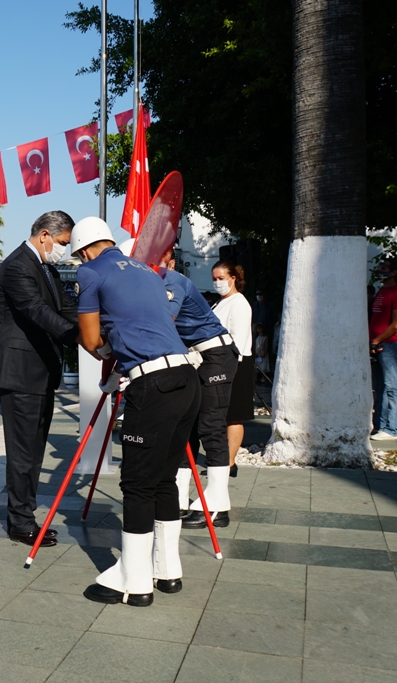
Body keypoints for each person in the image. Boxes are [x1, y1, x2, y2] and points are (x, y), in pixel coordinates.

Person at [71, 218, 200, 607]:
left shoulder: (90, 271)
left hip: (153, 384)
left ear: (83, 250)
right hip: (187, 379)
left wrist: (104, 347)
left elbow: (90, 339)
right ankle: (168, 570)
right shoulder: (147, 270)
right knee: (164, 479)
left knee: (138, 483)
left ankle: (134, 579)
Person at [0, 210, 80, 549]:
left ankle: (25, 515)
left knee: (34, 451)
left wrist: (100, 329)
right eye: (62, 242)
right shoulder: (17, 266)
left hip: (42, 373)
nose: (63, 249)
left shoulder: (47, 268)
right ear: (44, 235)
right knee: (22, 452)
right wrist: (75, 336)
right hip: (21, 372)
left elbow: (67, 307)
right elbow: (36, 310)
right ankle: (20, 522)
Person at [157, 262, 239, 530]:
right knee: (184, 427)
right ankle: (179, 498)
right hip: (193, 357)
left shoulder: (172, 281)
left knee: (211, 426)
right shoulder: (151, 285)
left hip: (215, 355)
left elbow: (164, 321)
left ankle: (217, 505)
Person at [210, 260, 253, 471]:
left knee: (234, 415)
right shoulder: (218, 303)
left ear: (233, 278)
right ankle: (222, 459)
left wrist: (228, 364)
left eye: (221, 278)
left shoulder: (239, 303)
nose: (217, 282)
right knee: (222, 415)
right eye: (214, 279)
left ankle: (229, 461)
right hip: (220, 361)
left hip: (236, 363)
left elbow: (239, 338)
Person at [369, 258, 397, 440]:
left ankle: (391, 429)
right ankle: (379, 425)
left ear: (394, 272)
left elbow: (396, 324)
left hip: (387, 345)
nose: (381, 270)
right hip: (376, 345)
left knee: (391, 386)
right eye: (380, 267)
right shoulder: (382, 291)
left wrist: (377, 340)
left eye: (385, 268)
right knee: (379, 387)